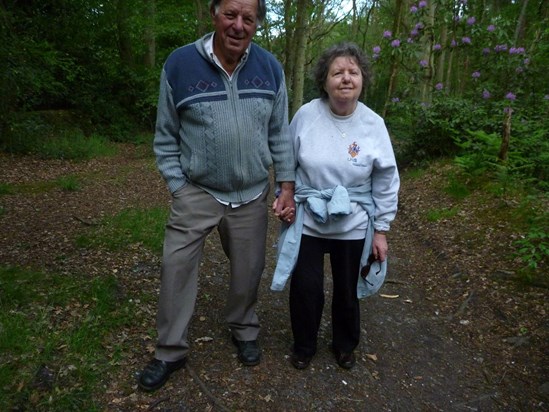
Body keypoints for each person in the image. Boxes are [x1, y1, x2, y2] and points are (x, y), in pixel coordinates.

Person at [138, 0, 296, 392]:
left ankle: (244, 328)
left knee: (248, 269)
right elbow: (165, 135)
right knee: (175, 267)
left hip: (251, 194)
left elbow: (280, 134)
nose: (239, 25)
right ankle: (169, 351)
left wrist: (286, 184)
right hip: (198, 191)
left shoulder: (270, 68)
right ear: (214, 13)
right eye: (231, 14)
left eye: (248, 17)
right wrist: (177, 185)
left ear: (257, 22)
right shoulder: (179, 64)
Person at [271, 42, 399, 370]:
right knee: (306, 287)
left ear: (362, 80)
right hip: (309, 218)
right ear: (325, 81)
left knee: (347, 289)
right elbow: (287, 162)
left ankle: (345, 345)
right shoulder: (306, 115)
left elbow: (387, 179)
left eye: (352, 72)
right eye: (337, 72)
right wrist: (282, 195)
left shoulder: (374, 124)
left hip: (353, 221)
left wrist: (381, 230)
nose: (345, 78)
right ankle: (304, 345)